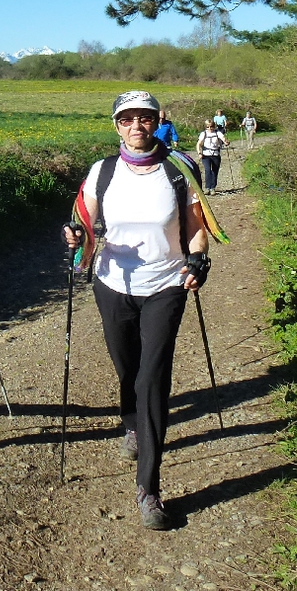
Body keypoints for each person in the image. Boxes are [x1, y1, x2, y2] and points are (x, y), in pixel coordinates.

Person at [63, 90, 216, 530]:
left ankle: (149, 487)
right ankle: (131, 424)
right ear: (117, 125)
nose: (136, 126)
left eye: (144, 118)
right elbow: (83, 221)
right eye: (127, 119)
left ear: (156, 122)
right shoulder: (103, 171)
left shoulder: (178, 169)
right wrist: (75, 236)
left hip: (166, 284)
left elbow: (197, 228)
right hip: (113, 284)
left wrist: (198, 260)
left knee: (152, 378)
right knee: (127, 366)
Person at [196, 120, 229, 192]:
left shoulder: (218, 133)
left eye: (211, 126)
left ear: (214, 126)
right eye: (207, 127)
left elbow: (223, 139)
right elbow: (198, 144)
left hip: (215, 155)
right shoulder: (203, 134)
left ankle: (213, 188)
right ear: (205, 127)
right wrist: (199, 153)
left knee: (215, 171)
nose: (210, 128)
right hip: (205, 155)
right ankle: (207, 187)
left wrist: (226, 142)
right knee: (207, 170)